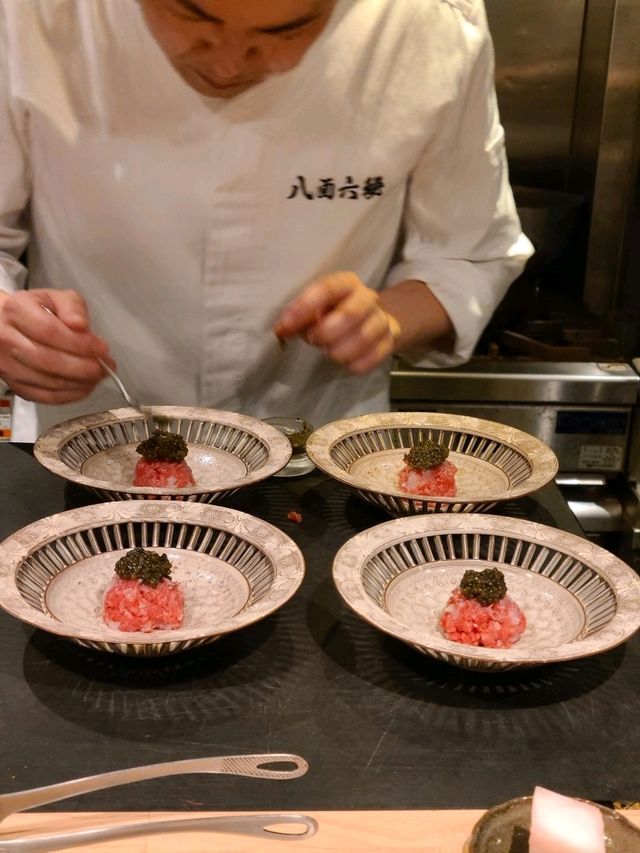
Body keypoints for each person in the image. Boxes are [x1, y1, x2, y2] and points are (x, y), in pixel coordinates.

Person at [0, 0, 532, 441]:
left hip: (313, 449)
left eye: (291, 29)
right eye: (191, 15)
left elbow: (470, 252)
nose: (229, 65)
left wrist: (387, 317)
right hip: (83, 439)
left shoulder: (428, 22)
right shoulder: (32, 14)